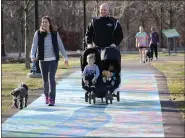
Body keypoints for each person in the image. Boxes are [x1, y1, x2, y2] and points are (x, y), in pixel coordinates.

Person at [30, 16, 69, 106]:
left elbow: (60, 46)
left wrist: (65, 57)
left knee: (51, 79)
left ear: (49, 23)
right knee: (45, 80)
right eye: (42, 22)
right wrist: (32, 55)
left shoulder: (55, 34)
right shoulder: (38, 33)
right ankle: (46, 96)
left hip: (53, 60)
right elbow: (34, 45)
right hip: (42, 60)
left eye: (46, 22)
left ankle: (52, 99)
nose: (44, 23)